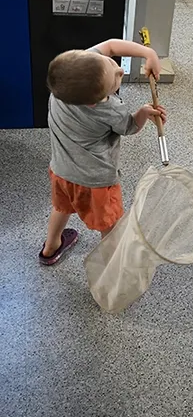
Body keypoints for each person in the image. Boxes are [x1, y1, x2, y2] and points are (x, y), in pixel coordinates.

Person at [40, 40, 167, 266]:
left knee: (62, 207)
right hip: (96, 183)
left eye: (110, 63)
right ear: (94, 103)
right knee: (109, 224)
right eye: (116, 79)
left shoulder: (64, 85)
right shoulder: (109, 109)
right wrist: (144, 113)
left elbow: (109, 46)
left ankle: (51, 247)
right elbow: (130, 127)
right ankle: (112, 270)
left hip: (61, 172)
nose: (120, 69)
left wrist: (148, 53)